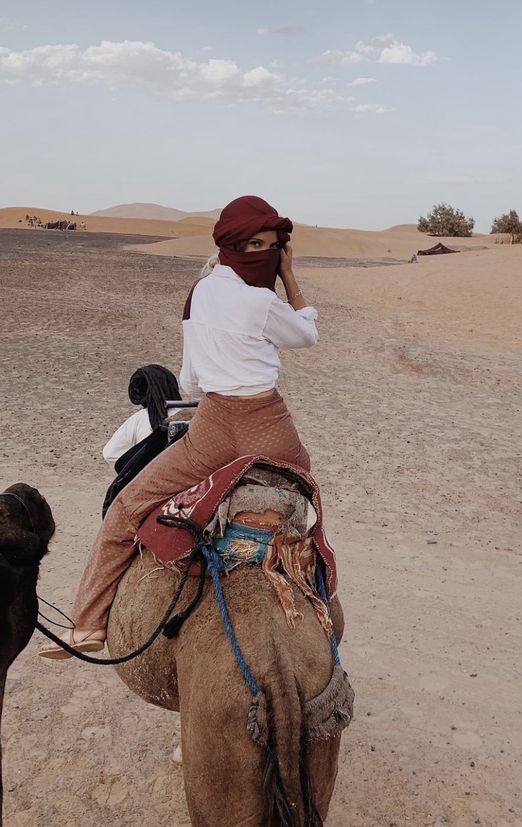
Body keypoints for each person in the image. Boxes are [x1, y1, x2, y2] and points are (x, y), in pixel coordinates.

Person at [40, 195, 318, 658]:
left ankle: (87, 626)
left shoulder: (200, 293)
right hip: (271, 428)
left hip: (210, 426)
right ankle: (320, 610)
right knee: (307, 509)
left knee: (127, 507)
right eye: (256, 245)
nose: (262, 255)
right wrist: (289, 277)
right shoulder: (262, 302)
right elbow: (308, 334)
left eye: (269, 247)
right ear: (237, 248)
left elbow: (189, 379)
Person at [102, 365, 181, 466]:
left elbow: (109, 454)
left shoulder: (138, 419)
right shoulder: (192, 415)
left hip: (149, 478)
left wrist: (138, 465)